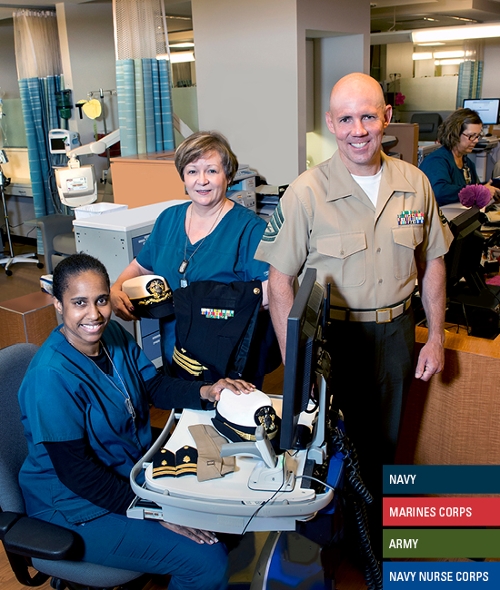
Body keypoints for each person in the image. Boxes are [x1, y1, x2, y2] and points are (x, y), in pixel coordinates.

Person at [254, 73, 453, 548]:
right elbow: (278, 282)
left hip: (397, 335)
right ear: (331, 123)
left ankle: (380, 545)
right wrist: (295, 362)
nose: (358, 129)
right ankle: (334, 541)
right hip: (333, 341)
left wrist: (439, 336)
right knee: (329, 446)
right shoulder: (305, 192)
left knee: (383, 444)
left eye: (368, 116)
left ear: (386, 117)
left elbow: (434, 264)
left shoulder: (415, 182)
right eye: (346, 119)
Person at [18, 253, 256, 590]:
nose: (94, 314)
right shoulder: (50, 376)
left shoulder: (112, 335)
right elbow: (77, 473)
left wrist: (208, 390)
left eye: (101, 300)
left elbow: (152, 386)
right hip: (74, 507)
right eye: (79, 303)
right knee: (206, 561)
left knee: (222, 498)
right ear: (58, 305)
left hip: (127, 471)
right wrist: (156, 511)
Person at [110, 131, 273, 383]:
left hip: (226, 359)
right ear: (183, 178)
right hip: (175, 355)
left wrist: (213, 309)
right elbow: (141, 267)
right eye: (192, 171)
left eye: (211, 171)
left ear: (228, 176)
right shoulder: (168, 220)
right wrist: (116, 289)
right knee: (184, 413)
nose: (202, 181)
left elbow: (271, 292)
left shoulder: (249, 229)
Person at [419, 108, 500, 207]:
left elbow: (469, 187)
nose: (476, 141)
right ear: (455, 134)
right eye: (471, 136)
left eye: (478, 136)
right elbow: (439, 192)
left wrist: (488, 189)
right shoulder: (437, 161)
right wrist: (477, 191)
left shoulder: (467, 162)